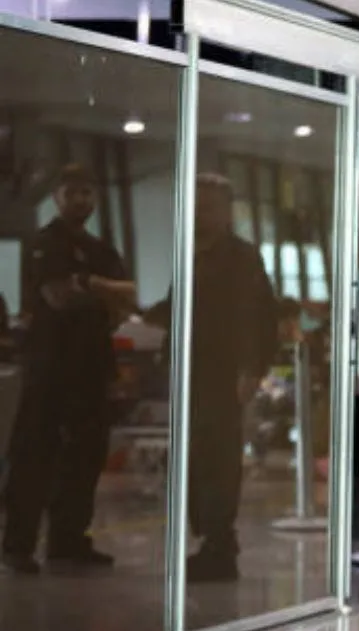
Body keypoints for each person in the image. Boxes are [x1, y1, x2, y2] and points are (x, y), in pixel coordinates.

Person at [3, 164, 135, 575]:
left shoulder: (102, 250)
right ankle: (17, 545)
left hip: (92, 366)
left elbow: (126, 299)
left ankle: (68, 540)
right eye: (73, 193)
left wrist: (87, 285)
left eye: (87, 193)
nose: (82, 200)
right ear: (57, 198)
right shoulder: (46, 244)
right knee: (34, 456)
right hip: (49, 367)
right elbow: (57, 297)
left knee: (86, 456)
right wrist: (101, 290)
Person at [146, 174, 278, 582]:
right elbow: (176, 307)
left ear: (225, 212)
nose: (201, 214)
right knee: (192, 460)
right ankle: (212, 537)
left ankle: (219, 543)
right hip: (190, 372)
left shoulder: (242, 258)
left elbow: (259, 316)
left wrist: (252, 369)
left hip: (222, 376)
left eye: (209, 206)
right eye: (197, 205)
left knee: (216, 462)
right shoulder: (192, 254)